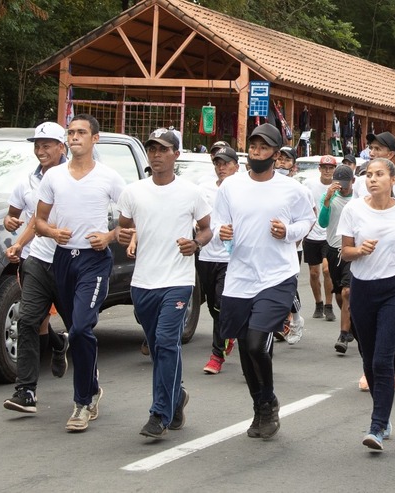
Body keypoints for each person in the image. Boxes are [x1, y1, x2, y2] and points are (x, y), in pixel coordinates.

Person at [213, 123, 315, 439]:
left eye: (264, 147)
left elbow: (308, 220)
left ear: (275, 153)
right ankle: (260, 407)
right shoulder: (230, 187)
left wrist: (289, 232)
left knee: (257, 342)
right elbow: (218, 221)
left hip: (277, 276)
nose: (257, 152)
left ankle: (268, 400)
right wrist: (221, 231)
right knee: (245, 347)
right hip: (240, 276)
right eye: (253, 147)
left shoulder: (293, 189)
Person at [117, 128, 212, 438]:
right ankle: (177, 396)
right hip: (143, 282)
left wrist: (195, 244)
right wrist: (128, 238)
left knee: (166, 342)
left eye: (162, 149)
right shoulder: (133, 192)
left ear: (176, 154)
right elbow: (124, 227)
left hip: (178, 280)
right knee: (159, 348)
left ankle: (159, 413)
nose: (156, 154)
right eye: (152, 148)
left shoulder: (191, 192)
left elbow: (207, 229)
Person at [35, 114, 126, 432]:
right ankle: (93, 386)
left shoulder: (109, 177)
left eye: (81, 132)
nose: (74, 137)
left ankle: (82, 403)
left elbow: (130, 218)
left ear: (95, 139)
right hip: (63, 260)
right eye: (71, 132)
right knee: (77, 329)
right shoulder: (54, 177)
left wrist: (109, 236)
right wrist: (51, 232)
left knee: (82, 328)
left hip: (95, 261)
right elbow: (40, 221)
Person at [338, 158, 395, 451]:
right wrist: (358, 250)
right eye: (368, 175)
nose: (372, 179)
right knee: (367, 356)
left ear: (392, 180)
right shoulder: (353, 209)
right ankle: (383, 415)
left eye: (379, 175)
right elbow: (345, 252)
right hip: (362, 290)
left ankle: (377, 425)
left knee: (382, 360)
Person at [2, 122, 71, 414]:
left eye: (47, 145)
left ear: (61, 147)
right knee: (29, 320)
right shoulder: (27, 181)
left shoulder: (77, 175)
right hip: (35, 259)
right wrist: (14, 234)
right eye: (37, 145)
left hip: (73, 260)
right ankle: (26, 390)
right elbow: (20, 217)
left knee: (80, 327)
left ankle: (88, 388)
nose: (41, 151)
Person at [197, 146, 241, 375]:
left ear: (236, 166)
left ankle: (216, 355)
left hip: (231, 257)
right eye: (217, 163)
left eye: (226, 163)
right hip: (206, 255)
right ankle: (228, 333)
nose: (221, 167)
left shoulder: (243, 190)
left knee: (221, 305)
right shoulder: (203, 189)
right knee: (214, 308)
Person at [318, 165, 356, 353]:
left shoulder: (358, 200)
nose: (342, 187)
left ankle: (343, 335)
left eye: (345, 183)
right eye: (338, 183)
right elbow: (322, 222)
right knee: (339, 293)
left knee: (348, 292)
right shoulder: (330, 198)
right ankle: (351, 324)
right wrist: (326, 200)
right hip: (332, 250)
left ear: (353, 182)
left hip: (350, 250)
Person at [273, 147, 308, 344]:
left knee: (287, 287)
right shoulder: (267, 185)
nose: (282, 163)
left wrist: (295, 239)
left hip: (292, 247)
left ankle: (295, 319)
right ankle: (277, 324)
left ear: (293, 166)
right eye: (280, 159)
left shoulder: (299, 189)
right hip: (269, 247)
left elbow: (308, 218)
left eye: (287, 161)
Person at [302, 155, 337, 321]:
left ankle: (329, 306)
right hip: (312, 234)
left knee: (327, 270)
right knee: (314, 273)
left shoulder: (338, 186)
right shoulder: (309, 185)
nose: (327, 171)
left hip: (329, 235)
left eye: (330, 168)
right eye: (324, 167)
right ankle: (318, 303)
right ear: (320, 169)